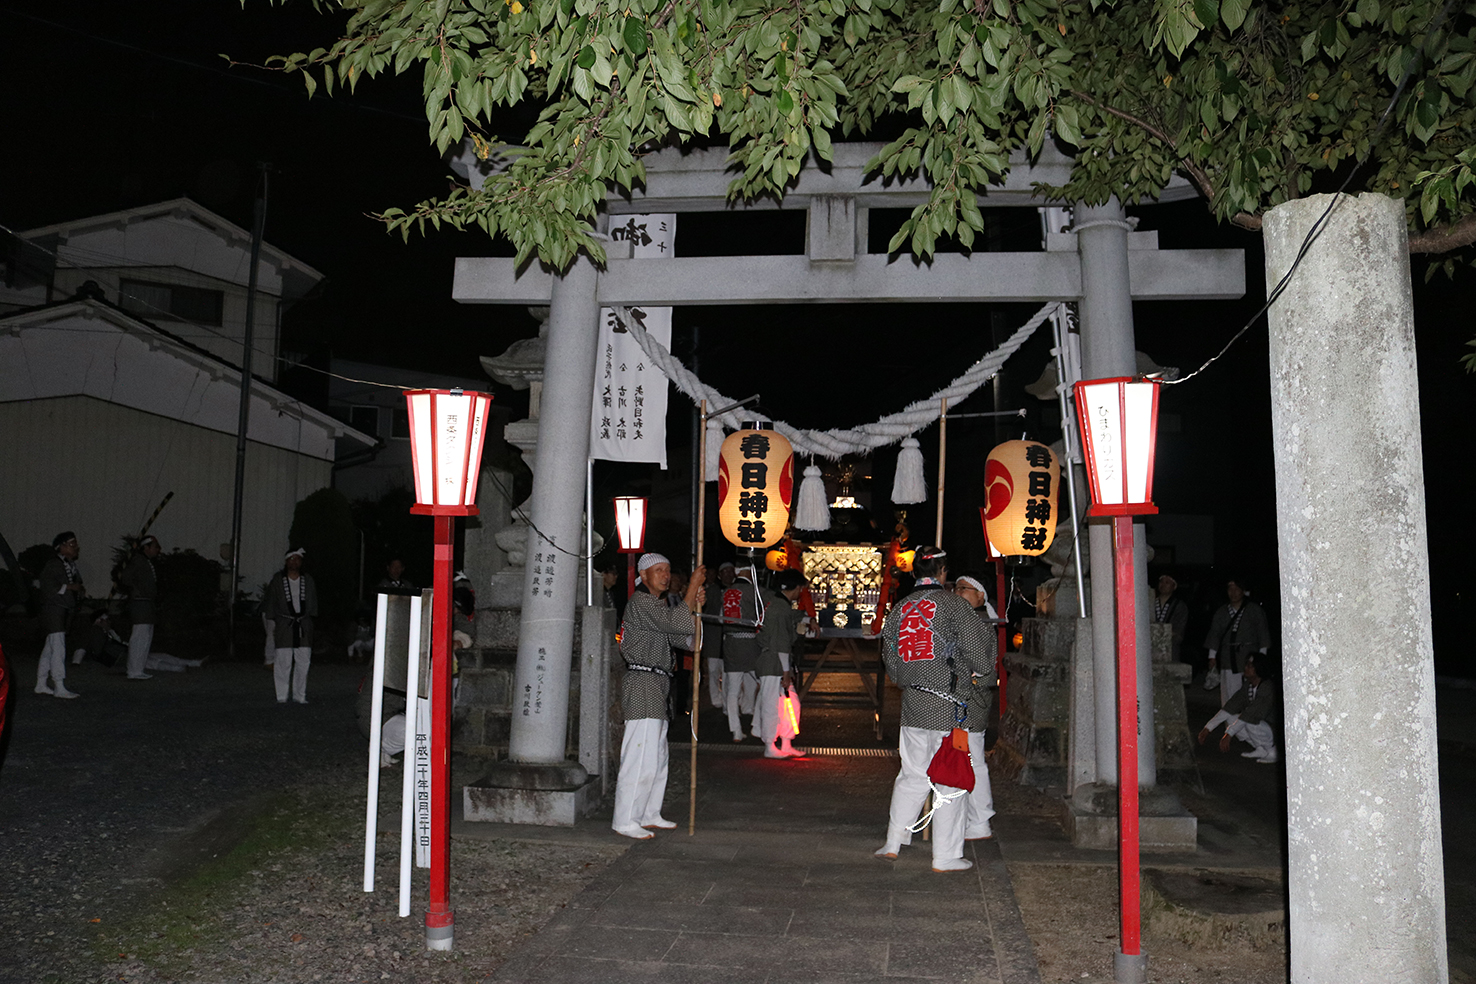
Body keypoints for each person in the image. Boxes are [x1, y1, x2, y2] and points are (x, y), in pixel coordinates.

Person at [875, 546, 992, 873]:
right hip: (950, 709)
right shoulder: (955, 605)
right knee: (949, 780)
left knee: (911, 775)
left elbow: (892, 665)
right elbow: (980, 660)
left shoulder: (899, 610)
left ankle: (893, 841)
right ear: (943, 572)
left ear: (914, 572)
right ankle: (945, 856)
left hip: (913, 705)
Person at [612, 552, 705, 839]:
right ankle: (625, 818)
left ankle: (649, 812)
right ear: (644, 575)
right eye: (659, 570)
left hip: (658, 683)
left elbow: (686, 640)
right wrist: (692, 588)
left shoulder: (657, 606)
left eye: (667, 570)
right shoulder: (641, 602)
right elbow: (676, 625)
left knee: (657, 755)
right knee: (640, 753)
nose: (666, 576)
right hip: (643, 682)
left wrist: (696, 609)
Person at [952, 574, 999, 840]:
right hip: (965, 698)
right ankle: (971, 817)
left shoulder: (977, 623)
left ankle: (980, 819)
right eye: (956, 588)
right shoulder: (968, 620)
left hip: (971, 699)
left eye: (964, 588)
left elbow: (980, 667)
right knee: (967, 757)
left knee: (972, 758)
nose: (957, 592)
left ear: (981, 596)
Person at [755, 569, 808, 759]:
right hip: (773, 661)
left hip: (774, 660)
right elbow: (781, 642)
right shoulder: (779, 608)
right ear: (797, 587)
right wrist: (786, 672)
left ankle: (786, 742)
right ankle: (770, 744)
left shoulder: (775, 602)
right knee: (772, 705)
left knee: (790, 703)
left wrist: (805, 618)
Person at [1198, 654, 1278, 763]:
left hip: (1273, 727)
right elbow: (1231, 706)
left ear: (1259, 669)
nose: (1245, 668)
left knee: (1249, 721)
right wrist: (1207, 728)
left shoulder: (1267, 687)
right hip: (1259, 723)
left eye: (1250, 666)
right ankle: (1260, 749)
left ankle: (1272, 751)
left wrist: (1229, 734)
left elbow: (1251, 713)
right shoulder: (1248, 685)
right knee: (1231, 718)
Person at [263, 547, 318, 704]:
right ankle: (281, 696)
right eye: (291, 559)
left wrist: (310, 618)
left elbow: (313, 600)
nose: (294, 562)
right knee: (283, 660)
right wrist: (272, 621)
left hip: (303, 624)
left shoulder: (307, 579)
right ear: (286, 561)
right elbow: (271, 602)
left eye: (297, 559)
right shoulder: (277, 580)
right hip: (284, 623)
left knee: (304, 660)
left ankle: (300, 695)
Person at [1203, 577, 1270, 703]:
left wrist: (1261, 658)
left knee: (1250, 694)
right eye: (1230, 589)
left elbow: (1263, 634)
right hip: (1228, 658)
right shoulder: (1222, 612)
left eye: (1236, 589)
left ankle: (1248, 715)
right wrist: (1212, 656)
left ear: (1243, 591)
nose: (1233, 593)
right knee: (1229, 694)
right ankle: (1230, 716)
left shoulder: (1254, 610)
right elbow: (1215, 634)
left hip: (1249, 656)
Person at [35, 531, 83, 698]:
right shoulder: (54, 564)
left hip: (62, 608)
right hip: (54, 608)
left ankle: (41, 683)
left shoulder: (69, 564)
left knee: (50, 648)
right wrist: (69, 587)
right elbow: (47, 585)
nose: (76, 547)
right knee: (58, 647)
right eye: (72, 544)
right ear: (61, 547)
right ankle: (59, 685)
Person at [719, 564, 762, 742]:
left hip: (731, 643)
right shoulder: (753, 592)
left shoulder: (726, 593)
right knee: (764, 683)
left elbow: (721, 618)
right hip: (750, 643)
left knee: (733, 689)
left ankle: (736, 730)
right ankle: (757, 723)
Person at [115, 534, 162, 680]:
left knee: (146, 637)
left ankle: (139, 669)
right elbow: (125, 577)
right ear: (146, 547)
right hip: (140, 603)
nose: (158, 550)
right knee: (139, 636)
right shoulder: (138, 560)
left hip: (147, 603)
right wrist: (136, 589)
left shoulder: (146, 562)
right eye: (155, 547)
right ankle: (134, 670)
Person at [699, 564, 732, 709]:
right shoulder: (713, 590)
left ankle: (726, 698)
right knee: (713, 670)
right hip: (713, 635)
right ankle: (715, 698)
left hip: (728, 636)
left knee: (727, 671)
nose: (728, 575)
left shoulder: (736, 591)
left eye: (730, 572)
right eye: (725, 572)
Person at [1153, 573, 1188, 664]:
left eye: (1167, 582)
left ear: (1174, 586)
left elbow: (1179, 631)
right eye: (1161, 582)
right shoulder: (1151, 602)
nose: (1163, 585)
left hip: (1171, 648)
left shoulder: (1180, 606)